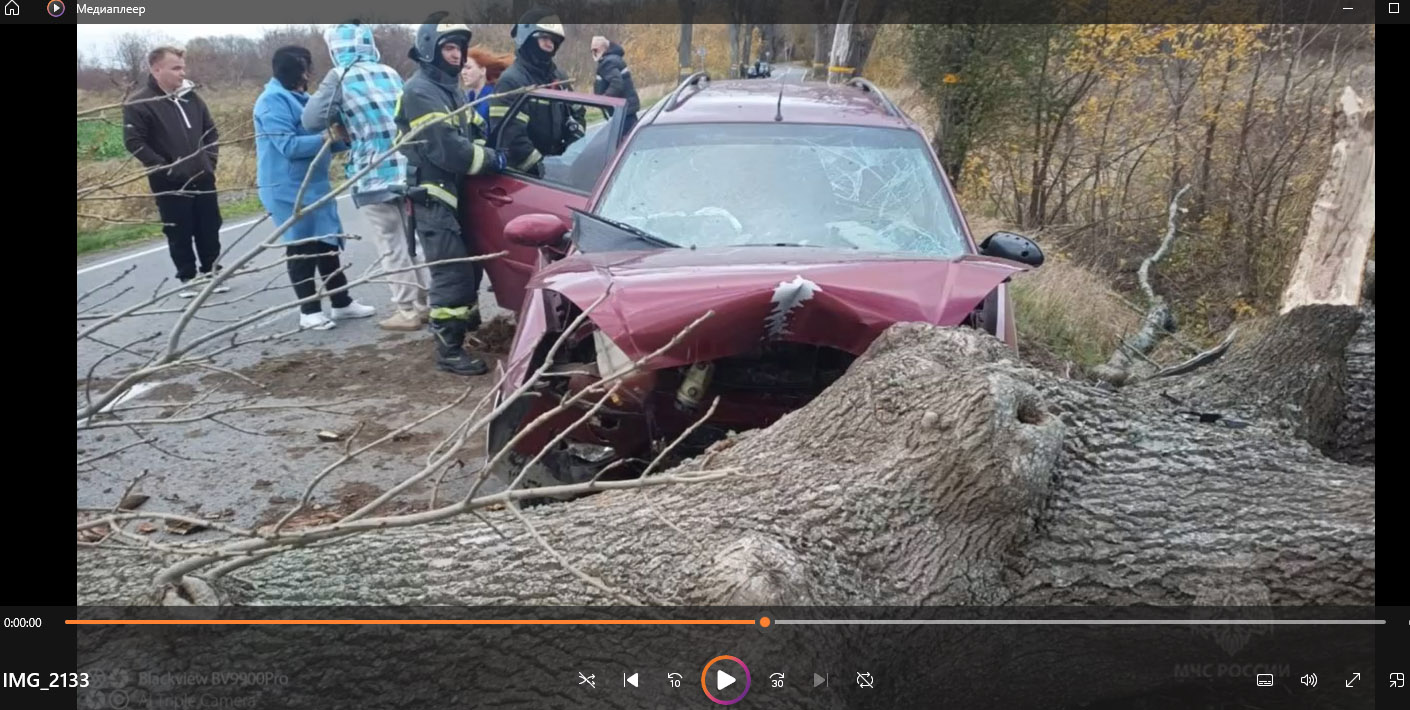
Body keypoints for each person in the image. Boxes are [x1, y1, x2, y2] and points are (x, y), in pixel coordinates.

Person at [394, 15, 511, 376]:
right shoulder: (420, 92)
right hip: (432, 197)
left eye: (459, 48)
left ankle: (465, 328)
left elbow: (471, 130)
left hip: (454, 193)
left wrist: (488, 145)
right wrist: (492, 159)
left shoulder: (448, 87)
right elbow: (449, 150)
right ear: (430, 48)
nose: (457, 55)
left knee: (468, 267)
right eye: (448, 47)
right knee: (452, 274)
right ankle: (448, 351)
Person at [301, 22, 430, 332]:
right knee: (416, 238)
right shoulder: (388, 71)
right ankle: (429, 304)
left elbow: (311, 120)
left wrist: (340, 125)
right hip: (409, 165)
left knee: (391, 243)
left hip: (372, 172)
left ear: (336, 49)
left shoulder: (339, 76)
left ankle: (407, 309)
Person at [254, 45, 377, 330]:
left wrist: (345, 139)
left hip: (315, 183)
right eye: (303, 68)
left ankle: (341, 302)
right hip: (286, 186)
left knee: (327, 241)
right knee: (302, 244)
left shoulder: (303, 98)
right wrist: (328, 136)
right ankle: (309, 311)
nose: (306, 74)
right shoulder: (271, 100)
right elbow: (288, 145)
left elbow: (325, 139)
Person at [122, 46, 229, 298]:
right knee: (179, 228)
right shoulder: (140, 103)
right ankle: (188, 276)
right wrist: (166, 168)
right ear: (156, 69)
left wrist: (209, 160)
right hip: (169, 180)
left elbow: (210, 132)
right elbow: (134, 142)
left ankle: (212, 271)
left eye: (183, 67)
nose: (182, 73)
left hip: (202, 175)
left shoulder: (191, 97)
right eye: (176, 68)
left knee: (209, 224)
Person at [491, 7, 586, 176]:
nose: (550, 45)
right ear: (526, 39)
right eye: (544, 38)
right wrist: (544, 170)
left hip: (558, 167)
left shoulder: (559, 78)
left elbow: (578, 112)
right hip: (527, 177)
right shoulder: (511, 81)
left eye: (554, 41)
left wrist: (573, 145)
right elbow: (511, 138)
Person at [590, 35, 640, 135]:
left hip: (622, 111)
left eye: (596, 49)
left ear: (604, 48)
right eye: (592, 50)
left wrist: (605, 99)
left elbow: (616, 83)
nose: (593, 53)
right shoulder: (614, 59)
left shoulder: (607, 62)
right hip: (627, 108)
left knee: (623, 143)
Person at [462, 46, 513, 123]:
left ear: (482, 71)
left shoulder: (493, 97)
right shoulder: (466, 98)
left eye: (468, 68)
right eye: (462, 68)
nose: (463, 72)